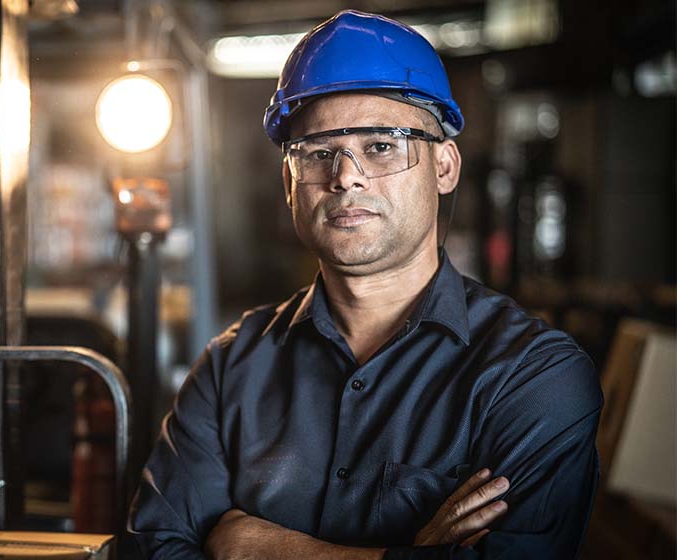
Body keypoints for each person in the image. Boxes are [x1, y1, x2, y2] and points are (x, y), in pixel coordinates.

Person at [127, 10, 602, 559]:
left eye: (381, 145)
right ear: (289, 182)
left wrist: (262, 546)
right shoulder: (229, 371)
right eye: (319, 152)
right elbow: (152, 550)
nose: (345, 174)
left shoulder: (533, 378)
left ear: (444, 167)